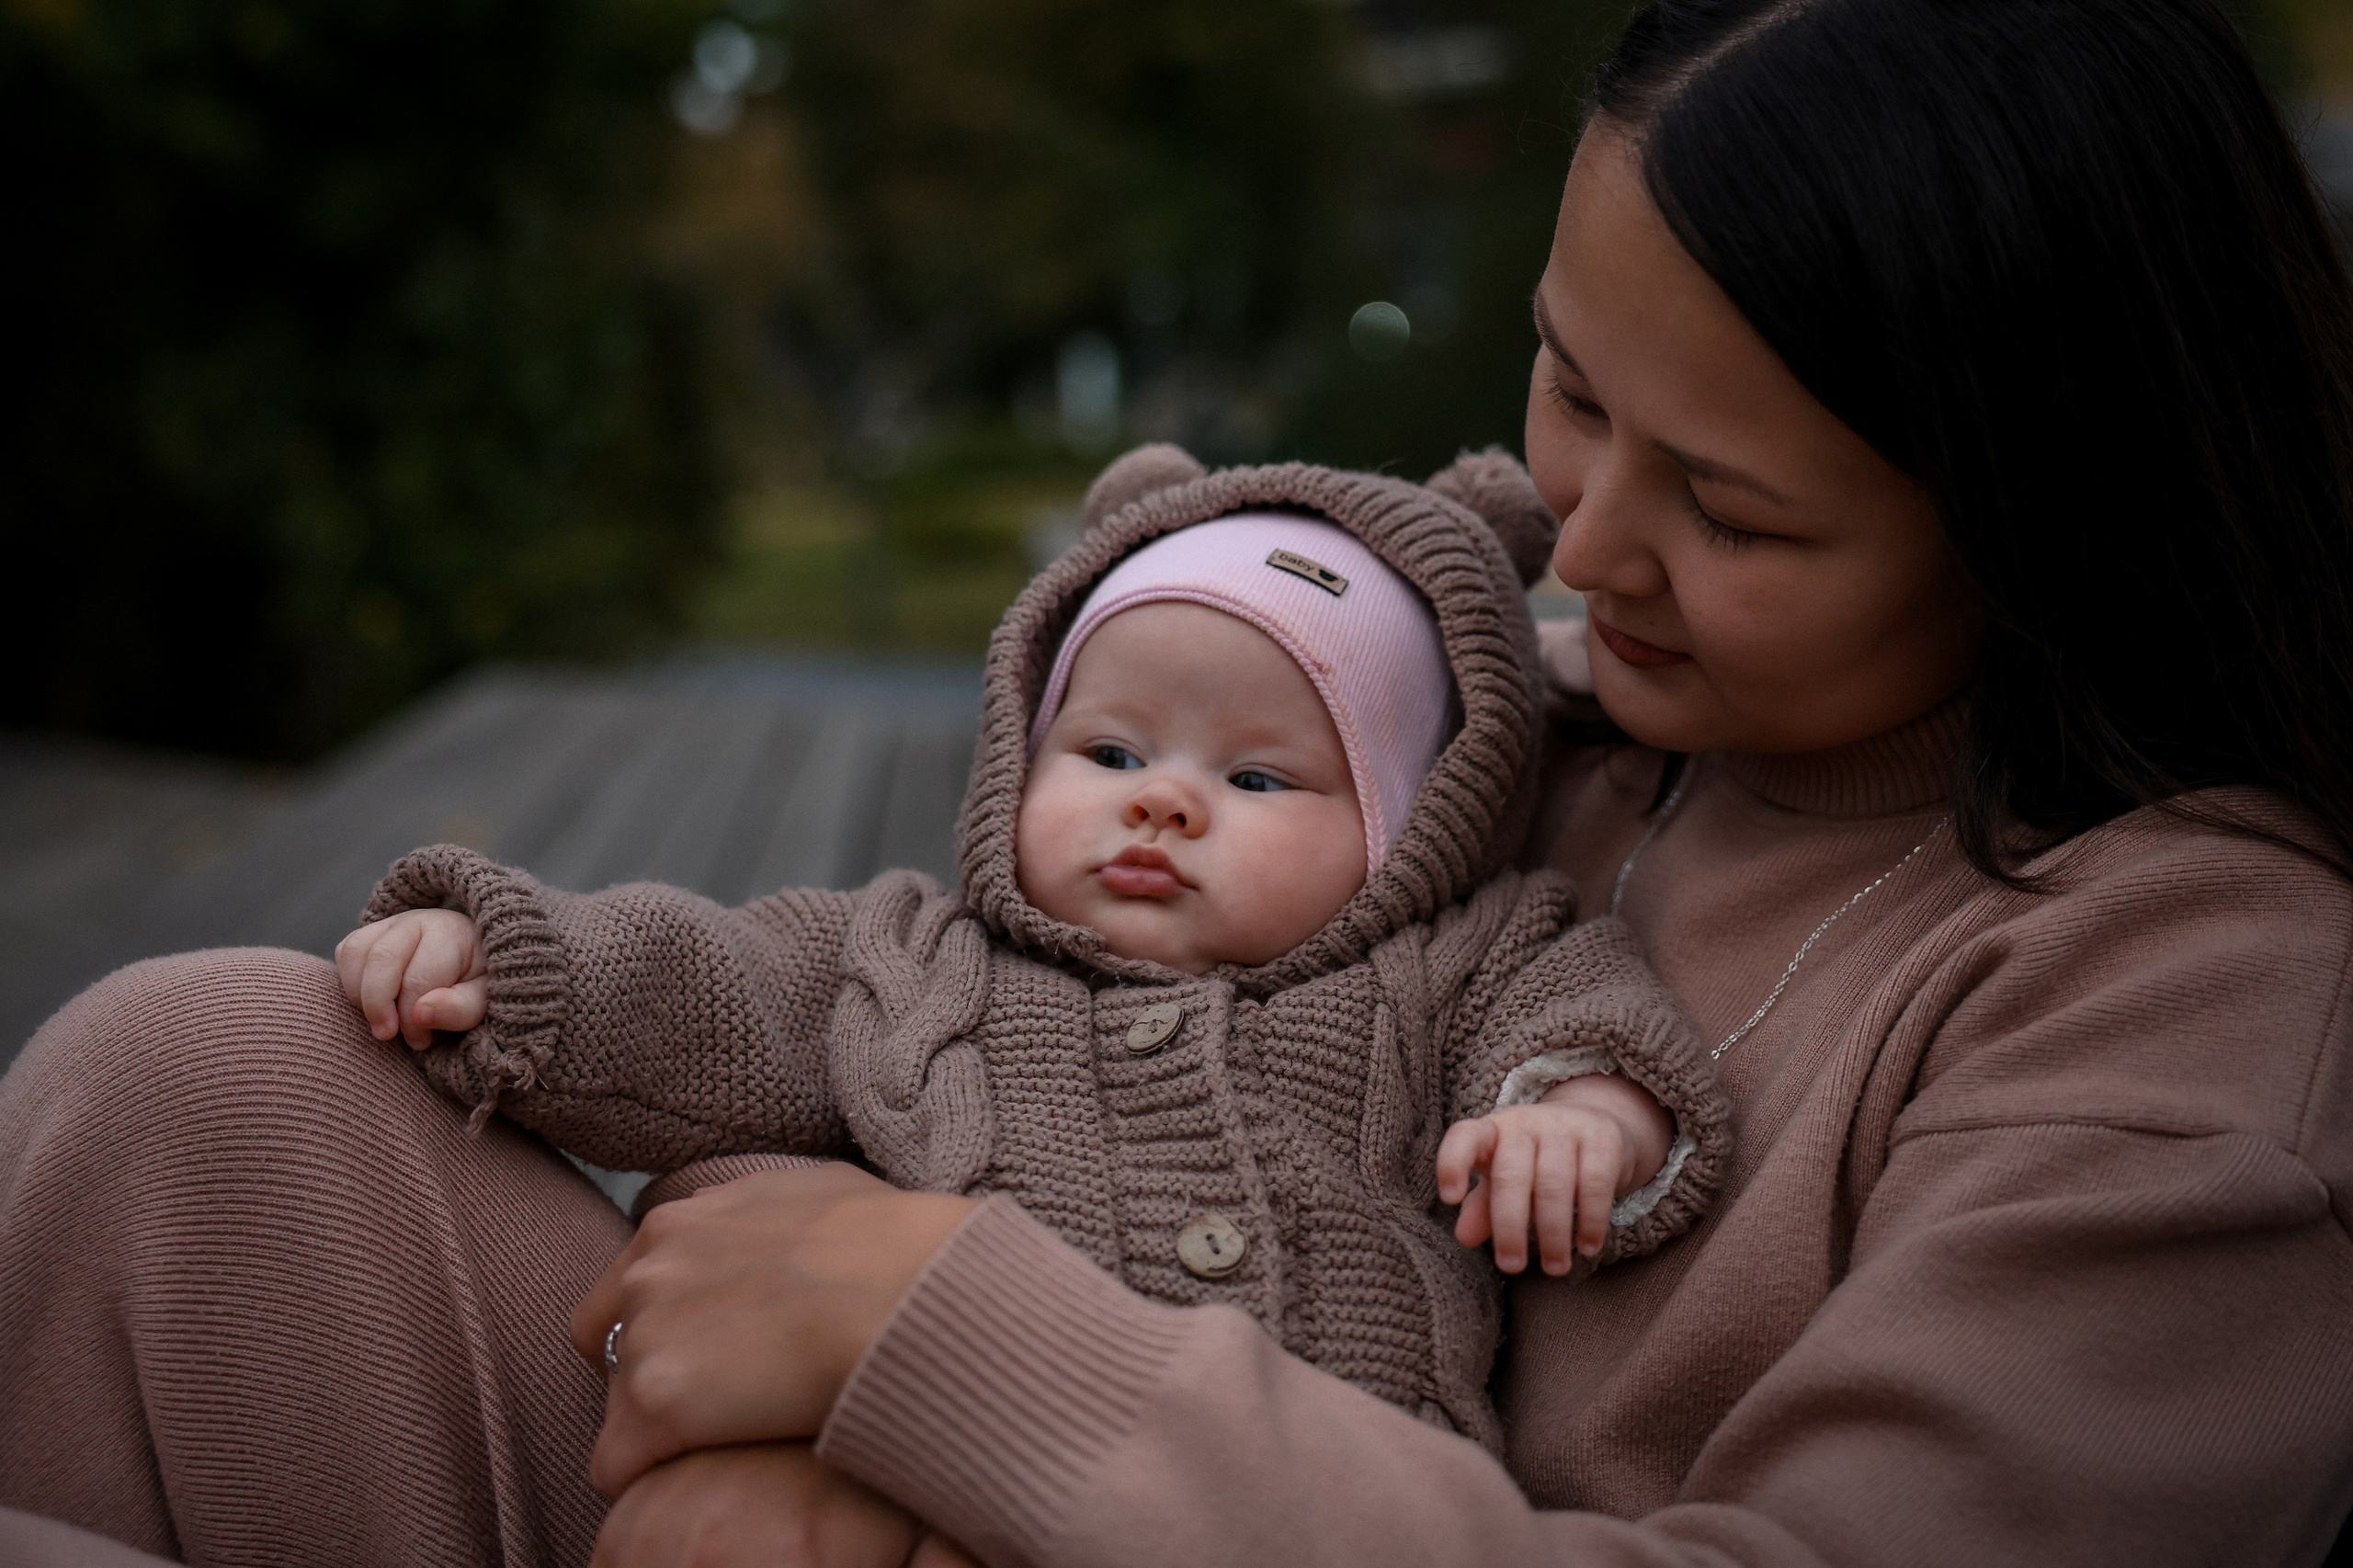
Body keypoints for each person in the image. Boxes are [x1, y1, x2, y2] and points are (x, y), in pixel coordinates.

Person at [6, 0, 2353, 1561]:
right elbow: (936, 936)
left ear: (2057, 506)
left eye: (1731, 515)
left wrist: (933, 1334)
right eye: (1567, 390)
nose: (1594, 548)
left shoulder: (2193, 1007)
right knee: (197, 1078)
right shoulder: (1539, 691)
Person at [330, 458, 1731, 1474]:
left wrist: (1584, 1117)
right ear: (1020, 749)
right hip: (931, 1478)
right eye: (1110, 752)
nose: (1162, 801)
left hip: (1324, 1490)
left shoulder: (1461, 961)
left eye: (1257, 774)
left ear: (1416, 830)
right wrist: (506, 960)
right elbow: (707, 982)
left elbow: (1589, 1018)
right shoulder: (912, 956)